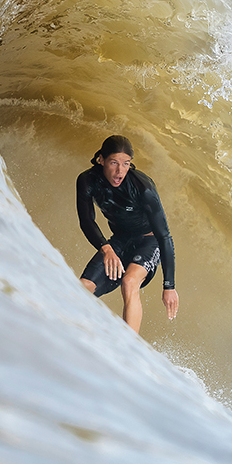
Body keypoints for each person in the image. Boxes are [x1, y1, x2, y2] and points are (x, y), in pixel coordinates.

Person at [76, 135, 179, 333]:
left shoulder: (142, 187)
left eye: (126, 163)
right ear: (101, 159)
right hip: (119, 242)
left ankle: (130, 351)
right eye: (114, 163)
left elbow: (165, 236)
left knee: (129, 281)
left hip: (149, 242)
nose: (119, 171)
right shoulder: (88, 181)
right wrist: (106, 248)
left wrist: (169, 286)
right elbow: (87, 221)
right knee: (82, 287)